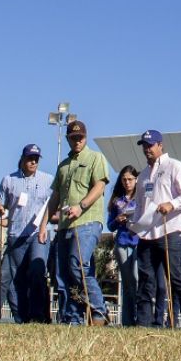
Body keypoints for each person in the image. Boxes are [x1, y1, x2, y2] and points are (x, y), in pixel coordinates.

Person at [132, 130, 181, 328]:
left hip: (169, 228)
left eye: (151, 145)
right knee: (146, 278)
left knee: (175, 275)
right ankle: (143, 322)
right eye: (144, 145)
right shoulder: (143, 175)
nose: (147, 149)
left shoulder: (174, 166)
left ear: (160, 145)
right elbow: (139, 205)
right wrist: (135, 225)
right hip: (146, 233)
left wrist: (171, 204)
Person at [42, 120, 110, 326]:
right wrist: (43, 224)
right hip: (64, 226)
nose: (77, 141)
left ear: (86, 137)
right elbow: (55, 197)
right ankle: (72, 318)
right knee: (62, 273)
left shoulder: (95, 158)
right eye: (73, 138)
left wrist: (81, 206)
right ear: (68, 139)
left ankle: (99, 311)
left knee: (77, 264)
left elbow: (99, 186)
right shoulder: (63, 166)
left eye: (80, 137)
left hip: (88, 221)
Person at [0, 143, 54, 324]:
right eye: (30, 158)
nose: (33, 161)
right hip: (16, 234)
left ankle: (38, 315)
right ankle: (23, 317)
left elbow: (54, 204)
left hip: (39, 233)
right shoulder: (8, 180)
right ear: (22, 159)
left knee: (37, 272)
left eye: (36, 159)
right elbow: (1, 203)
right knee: (19, 279)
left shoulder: (48, 180)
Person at [108, 165, 140, 326]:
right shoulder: (116, 201)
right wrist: (117, 220)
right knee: (128, 282)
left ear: (136, 180)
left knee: (137, 278)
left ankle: (140, 316)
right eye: (124, 180)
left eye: (130, 179)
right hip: (122, 241)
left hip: (137, 241)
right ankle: (128, 320)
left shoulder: (141, 198)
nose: (127, 183)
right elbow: (110, 225)